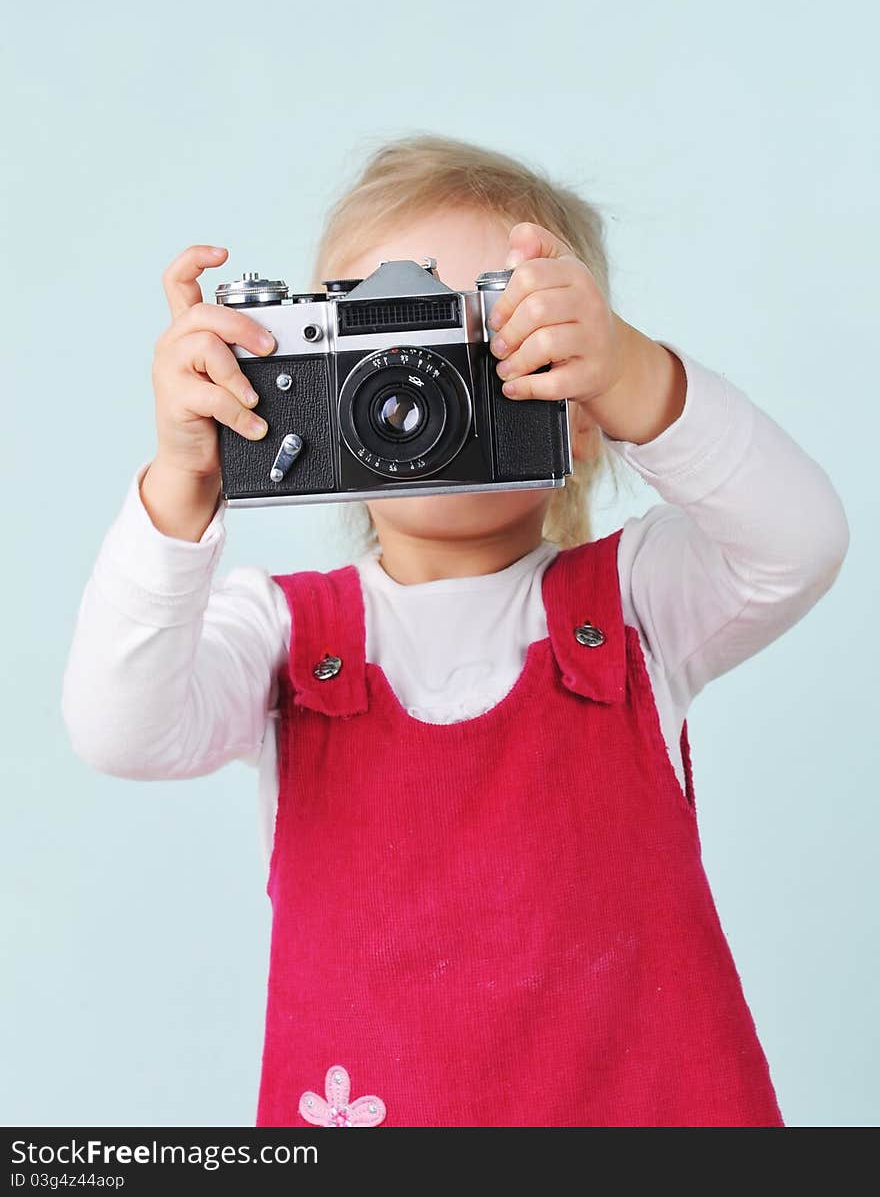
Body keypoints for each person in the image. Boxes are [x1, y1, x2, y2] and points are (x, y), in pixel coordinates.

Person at [61, 134, 849, 1127]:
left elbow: (800, 540)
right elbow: (119, 730)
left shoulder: (639, 607)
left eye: (472, 345)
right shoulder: (283, 636)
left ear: (577, 405)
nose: (411, 392)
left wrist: (638, 374)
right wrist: (182, 480)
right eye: (377, 347)